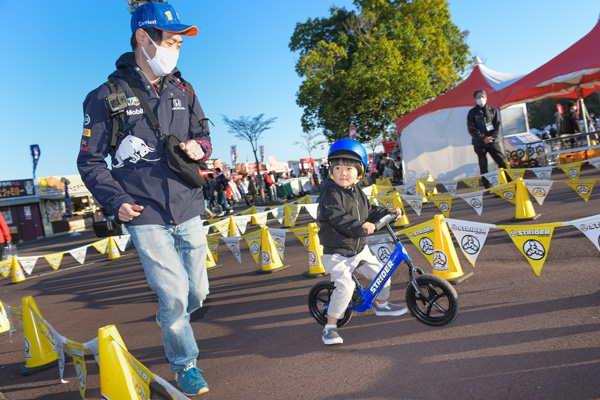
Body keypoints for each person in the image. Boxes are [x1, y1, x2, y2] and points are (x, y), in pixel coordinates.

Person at [77, 3, 212, 395]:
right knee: (172, 297)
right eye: (170, 41)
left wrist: (199, 148)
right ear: (143, 38)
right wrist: (115, 200)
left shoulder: (184, 89)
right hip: (144, 212)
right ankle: (186, 365)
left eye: (179, 44)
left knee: (196, 294)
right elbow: (89, 160)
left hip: (188, 205)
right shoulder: (104, 96)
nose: (176, 49)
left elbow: (204, 134)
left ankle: (178, 328)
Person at [317, 138, 408, 346]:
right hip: (337, 251)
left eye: (349, 168)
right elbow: (337, 216)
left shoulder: (356, 191)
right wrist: (359, 228)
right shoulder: (330, 192)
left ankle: (382, 305)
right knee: (345, 288)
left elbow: (369, 210)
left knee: (383, 273)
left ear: (360, 173)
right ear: (331, 170)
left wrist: (388, 213)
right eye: (337, 167)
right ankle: (330, 326)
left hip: (358, 247)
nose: (342, 172)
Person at [466, 89, 510, 189]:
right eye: (478, 97)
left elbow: (497, 125)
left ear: (486, 98)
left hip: (493, 141)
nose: (480, 99)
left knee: (501, 161)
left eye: (482, 97)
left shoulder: (493, 110)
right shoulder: (472, 113)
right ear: (475, 99)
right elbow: (471, 129)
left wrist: (492, 137)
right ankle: (487, 187)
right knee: (483, 165)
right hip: (479, 143)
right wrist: (483, 138)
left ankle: (509, 182)